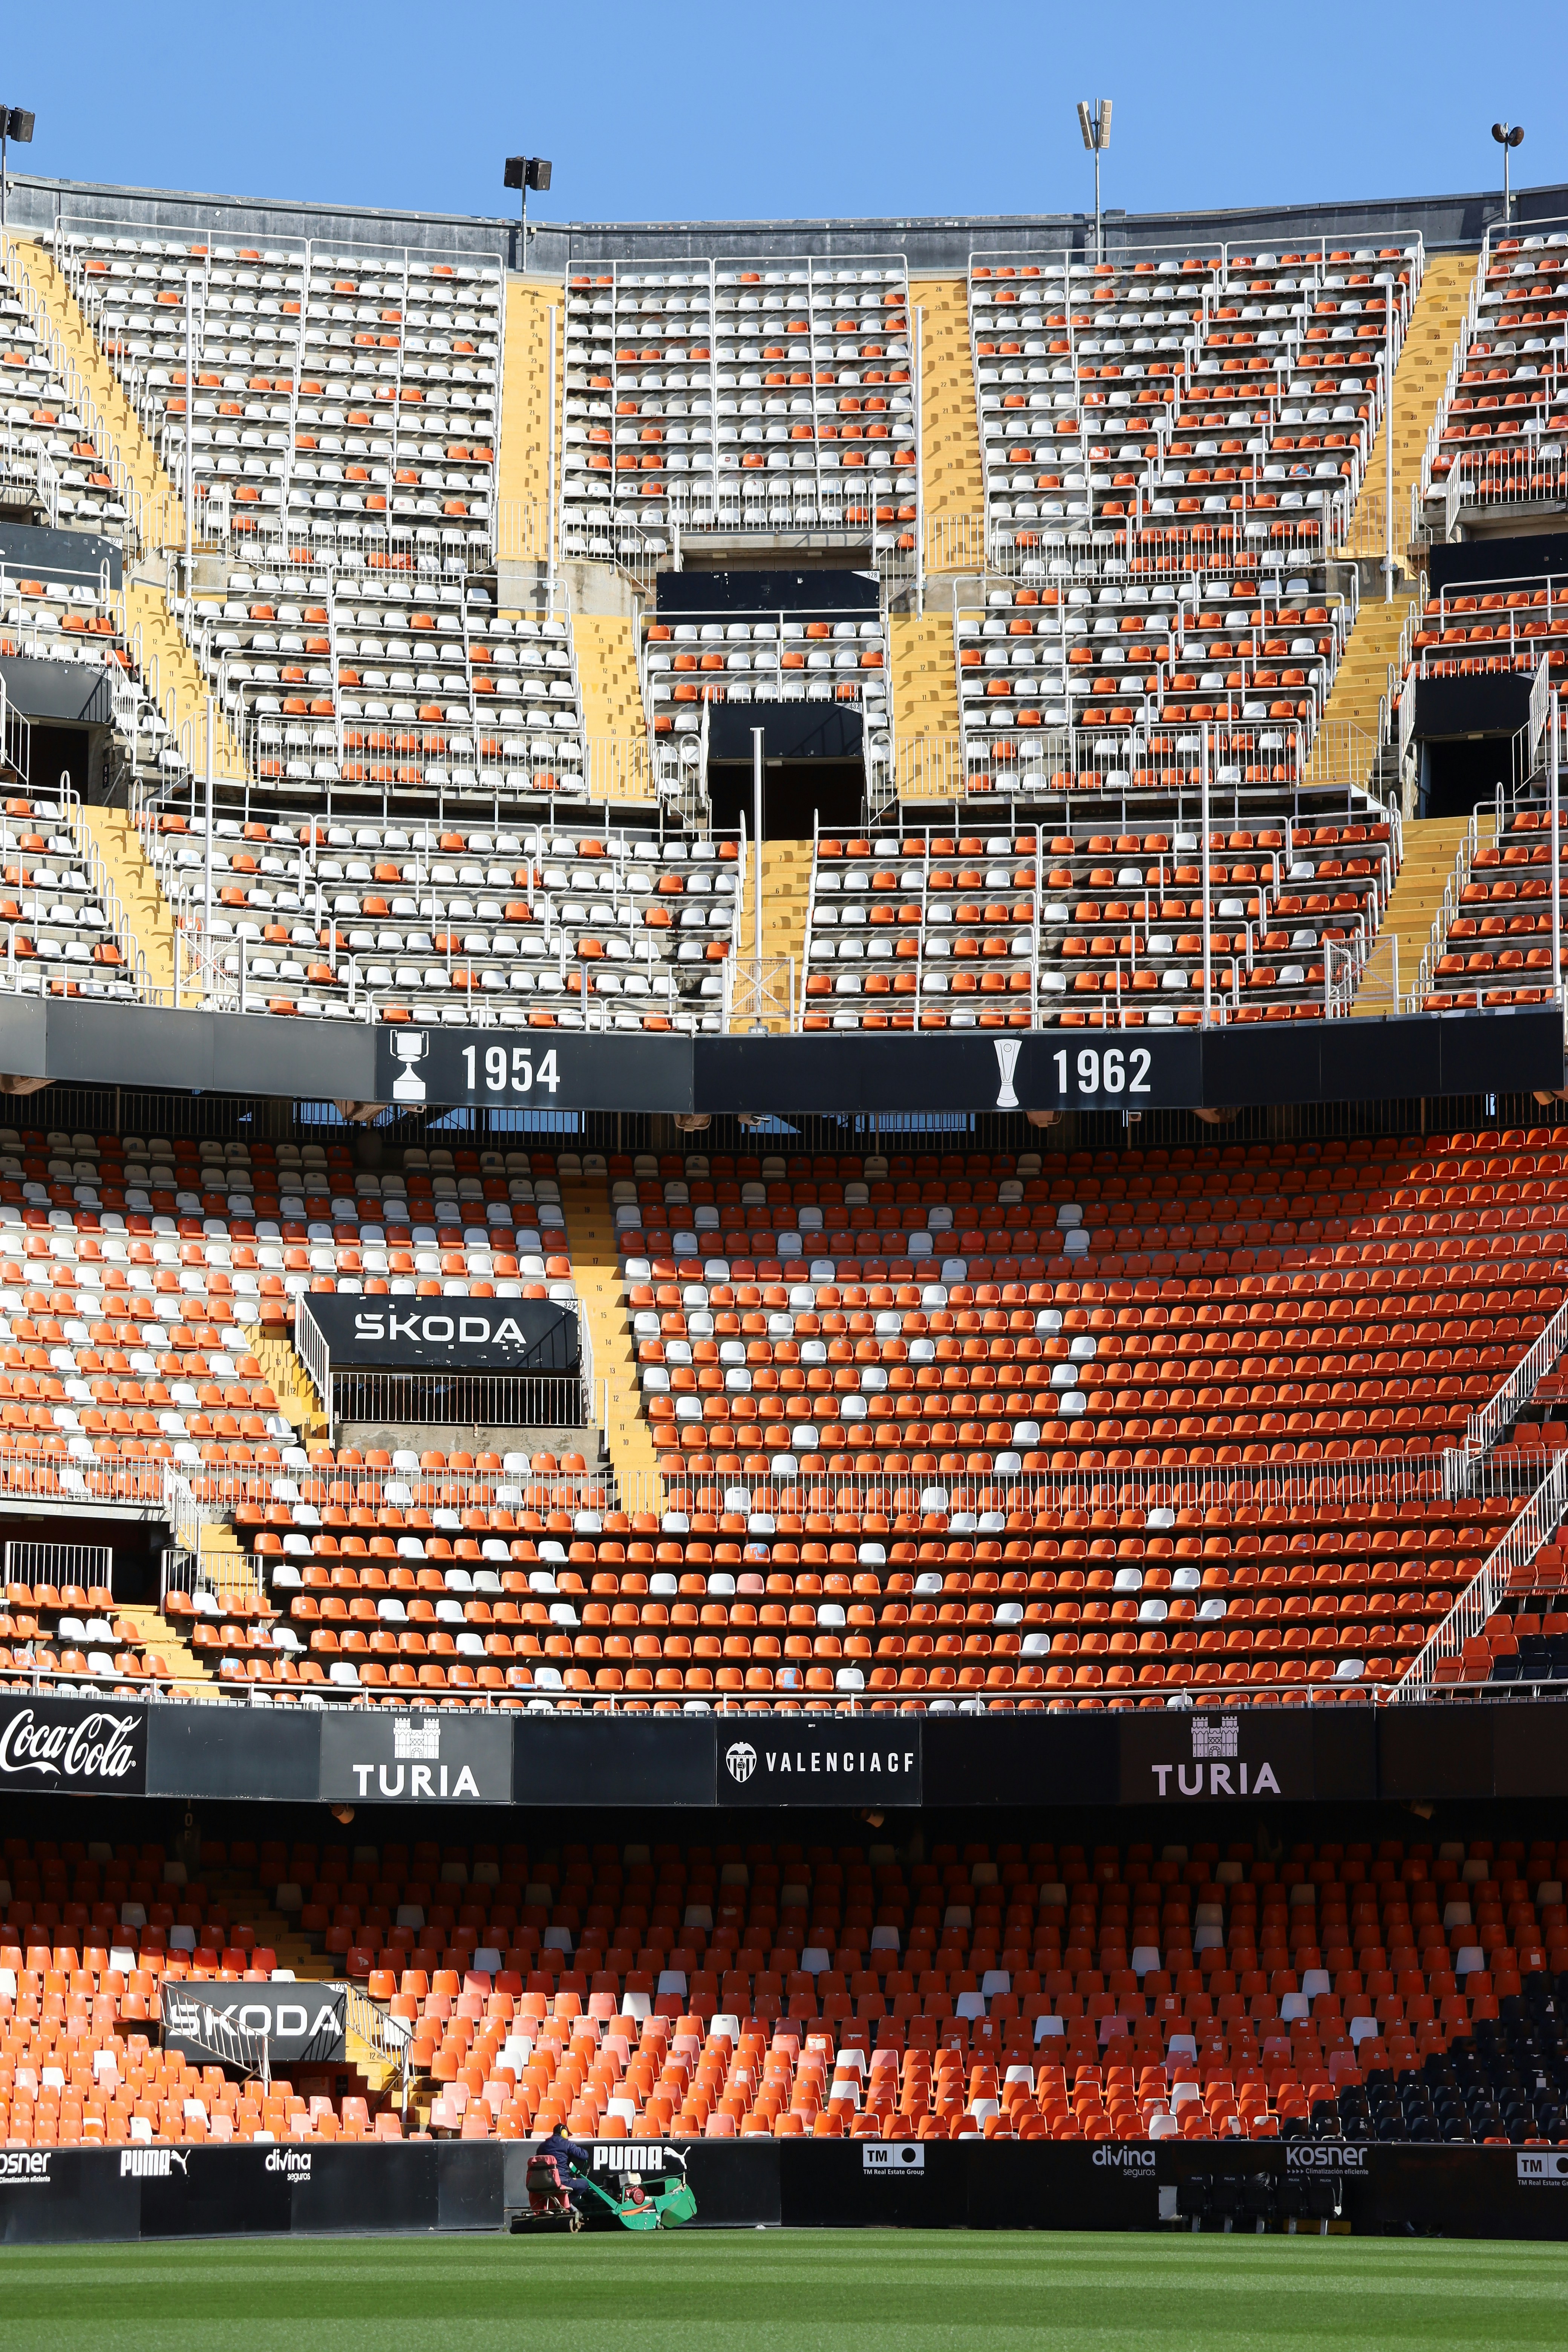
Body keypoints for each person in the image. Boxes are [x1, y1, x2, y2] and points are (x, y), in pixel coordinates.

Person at [536, 2124, 596, 2217]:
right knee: (584, 2184)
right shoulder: (566, 2144)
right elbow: (584, 2155)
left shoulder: (542, 2146)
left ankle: (562, 2205)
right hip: (561, 2180)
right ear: (564, 2133)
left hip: (544, 2181)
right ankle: (563, 2204)